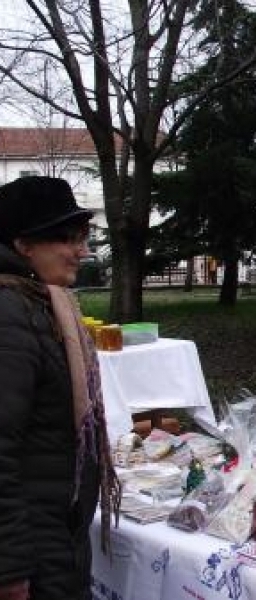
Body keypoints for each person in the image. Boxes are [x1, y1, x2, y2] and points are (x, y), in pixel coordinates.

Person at [0, 176, 120, 600]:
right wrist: (9, 568)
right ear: (23, 244)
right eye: (67, 239)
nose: (81, 251)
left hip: (54, 531)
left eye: (82, 238)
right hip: (32, 545)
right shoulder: (9, 314)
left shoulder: (41, 303)